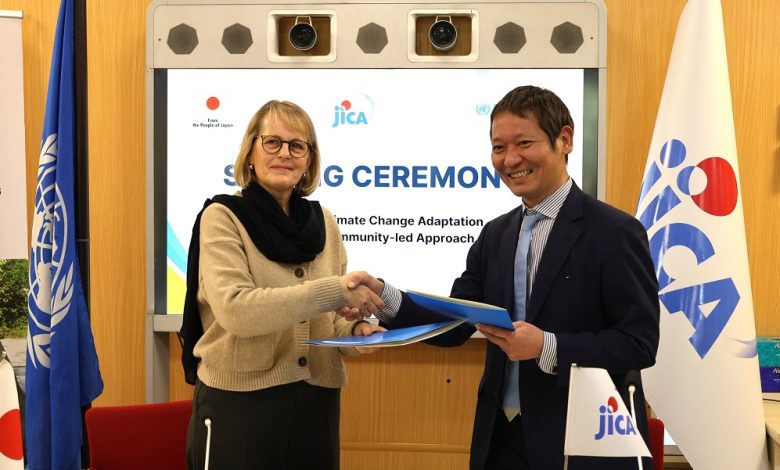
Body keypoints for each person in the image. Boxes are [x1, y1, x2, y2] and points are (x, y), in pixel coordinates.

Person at [343, 86, 660, 470]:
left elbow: (639, 343)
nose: (510, 159)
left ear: (565, 139)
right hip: (500, 441)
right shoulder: (496, 234)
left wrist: (547, 346)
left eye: (524, 143)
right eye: (498, 147)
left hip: (581, 443)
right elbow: (454, 324)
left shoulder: (614, 232)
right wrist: (383, 294)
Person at [182, 100, 386, 470]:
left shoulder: (324, 222)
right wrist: (337, 290)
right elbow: (237, 311)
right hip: (240, 405)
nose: (284, 153)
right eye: (272, 142)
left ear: (309, 159)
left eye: (297, 145)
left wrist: (356, 332)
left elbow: (330, 318)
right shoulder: (223, 217)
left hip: (316, 404)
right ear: (251, 152)